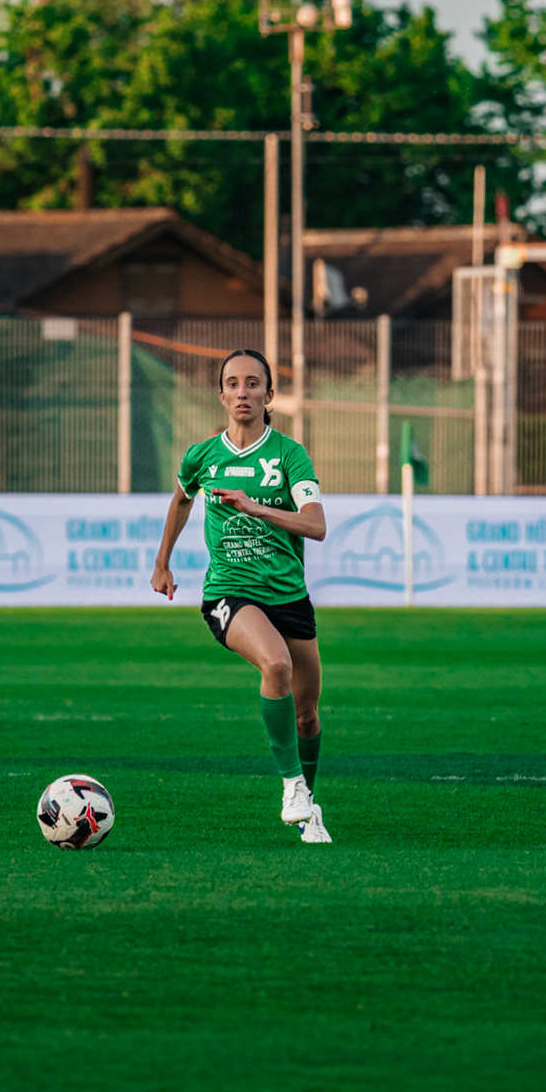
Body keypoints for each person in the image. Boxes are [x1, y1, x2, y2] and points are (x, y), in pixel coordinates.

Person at [152, 349, 331, 844]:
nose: (242, 392)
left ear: (269, 395)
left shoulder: (290, 456)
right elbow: (182, 498)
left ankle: (308, 808)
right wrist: (162, 561)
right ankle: (292, 786)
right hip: (230, 593)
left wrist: (256, 508)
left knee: (307, 712)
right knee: (276, 666)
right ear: (221, 394)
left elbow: (315, 525)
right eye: (232, 383)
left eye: (253, 384)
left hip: (288, 596)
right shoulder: (202, 456)